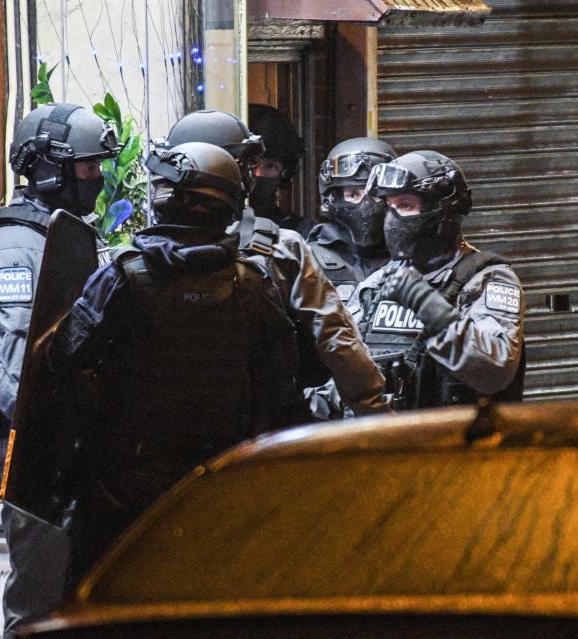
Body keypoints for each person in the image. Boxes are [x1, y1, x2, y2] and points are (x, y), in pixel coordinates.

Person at [45, 142, 389, 583]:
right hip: (225, 482)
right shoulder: (252, 284)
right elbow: (283, 381)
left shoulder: (124, 275)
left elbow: (63, 357)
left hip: (125, 486)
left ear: (177, 199)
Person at [0, 103, 117, 637]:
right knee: (40, 606)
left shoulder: (66, 234)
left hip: (69, 447)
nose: (96, 177)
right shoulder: (15, 245)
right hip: (33, 450)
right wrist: (54, 435)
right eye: (86, 167)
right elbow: (12, 369)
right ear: (48, 167)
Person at [347, 150, 526, 409]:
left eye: (405, 206)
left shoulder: (486, 280)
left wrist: (424, 302)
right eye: (389, 207)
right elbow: (348, 366)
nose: (391, 221)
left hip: (457, 444)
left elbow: (495, 370)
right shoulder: (379, 284)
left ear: (443, 212)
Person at [308, 137, 397, 302]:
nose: (366, 206)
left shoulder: (409, 258)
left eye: (375, 195)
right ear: (333, 198)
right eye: (354, 194)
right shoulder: (307, 260)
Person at [247, 103, 314, 236]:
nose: (258, 173)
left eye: (270, 166)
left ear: (285, 172)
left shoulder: (300, 233)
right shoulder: (219, 228)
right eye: (252, 163)